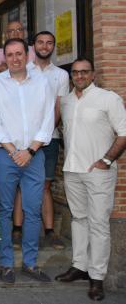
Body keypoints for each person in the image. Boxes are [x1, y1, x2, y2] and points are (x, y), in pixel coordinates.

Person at [56, 57, 126, 301]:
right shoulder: (65, 101)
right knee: (78, 219)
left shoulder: (108, 99)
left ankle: (97, 278)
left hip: (99, 173)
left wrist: (106, 160)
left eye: (85, 72)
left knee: (98, 224)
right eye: (75, 72)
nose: (80, 76)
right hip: (72, 169)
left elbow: (124, 133)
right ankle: (79, 267)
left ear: (93, 74)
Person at [0, 38, 55, 284]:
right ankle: (6, 264)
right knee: (4, 210)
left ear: (27, 56)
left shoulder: (42, 82)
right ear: (4, 58)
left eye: (19, 54)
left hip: (34, 156)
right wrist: (15, 151)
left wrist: (31, 151)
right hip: (6, 155)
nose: (15, 58)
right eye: (10, 55)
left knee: (32, 210)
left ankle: (30, 263)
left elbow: (48, 119)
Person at [13, 31, 69, 249]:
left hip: (49, 139)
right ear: (33, 45)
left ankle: (50, 231)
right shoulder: (25, 70)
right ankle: (17, 230)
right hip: (23, 139)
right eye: (40, 42)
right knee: (20, 184)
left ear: (53, 46)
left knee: (45, 184)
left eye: (49, 43)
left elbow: (58, 107)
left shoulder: (61, 75)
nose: (45, 46)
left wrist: (43, 134)